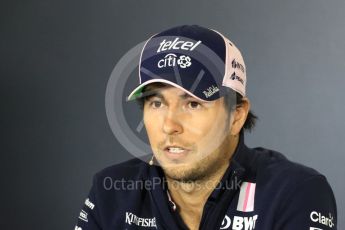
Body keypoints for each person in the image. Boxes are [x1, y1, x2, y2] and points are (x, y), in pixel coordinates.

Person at [75, 25, 337, 230]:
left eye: (193, 104)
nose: (169, 125)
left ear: (236, 116)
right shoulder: (111, 194)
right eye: (156, 103)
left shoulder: (295, 193)